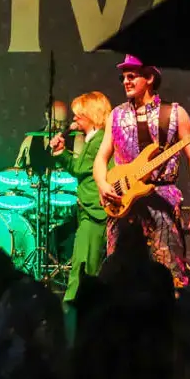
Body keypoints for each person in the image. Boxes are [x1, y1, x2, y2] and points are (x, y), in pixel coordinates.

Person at [92, 55, 190, 288]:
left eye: (132, 76)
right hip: (123, 205)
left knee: (170, 276)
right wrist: (103, 185)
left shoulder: (174, 114)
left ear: (150, 78)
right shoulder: (116, 115)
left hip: (162, 205)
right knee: (120, 279)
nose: (126, 82)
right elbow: (100, 160)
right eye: (123, 77)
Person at [51, 91, 113, 303]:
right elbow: (82, 169)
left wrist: (62, 151)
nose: (74, 118)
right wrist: (62, 154)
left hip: (95, 210)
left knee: (83, 264)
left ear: (91, 115)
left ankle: (73, 307)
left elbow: (79, 168)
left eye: (79, 114)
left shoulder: (98, 141)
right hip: (91, 209)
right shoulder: (94, 140)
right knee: (86, 263)